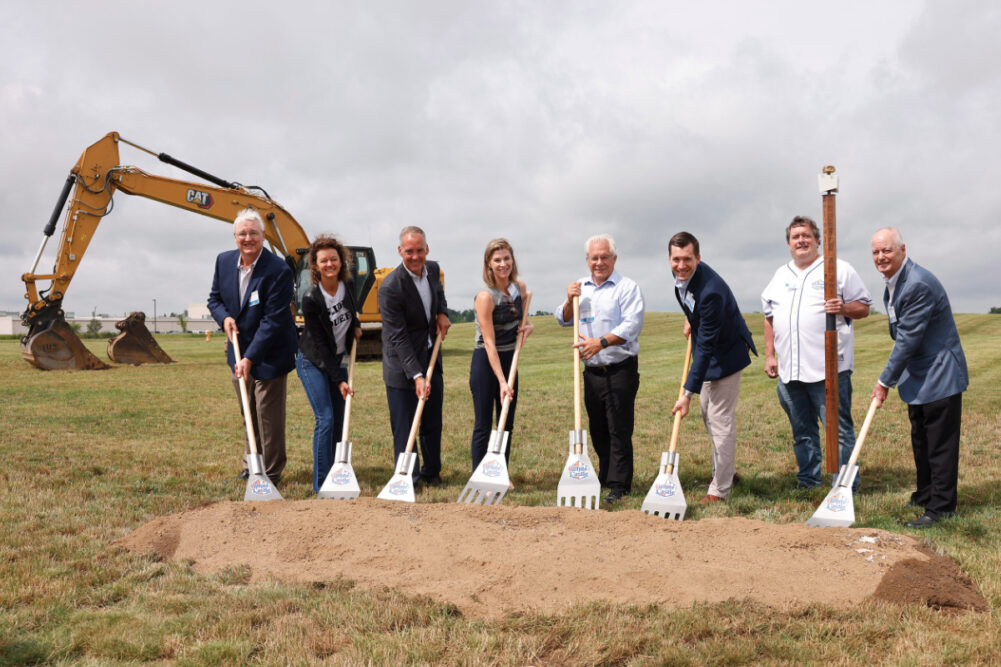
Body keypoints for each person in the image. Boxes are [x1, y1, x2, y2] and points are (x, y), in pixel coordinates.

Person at [761, 216, 871, 489]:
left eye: (806, 235)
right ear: (788, 244)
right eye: (795, 237)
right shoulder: (780, 275)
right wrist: (770, 355)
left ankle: (844, 485)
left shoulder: (837, 269)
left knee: (839, 430)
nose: (801, 240)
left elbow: (864, 307)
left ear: (818, 240)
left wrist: (843, 308)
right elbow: (769, 316)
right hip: (791, 370)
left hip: (829, 370)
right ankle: (808, 479)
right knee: (802, 431)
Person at [870, 228, 968, 528]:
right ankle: (926, 493)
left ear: (902, 249)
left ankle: (940, 509)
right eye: (875, 252)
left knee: (939, 445)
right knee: (921, 440)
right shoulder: (895, 282)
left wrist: (884, 381)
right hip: (919, 376)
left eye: (886, 250)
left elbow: (907, 340)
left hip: (940, 375)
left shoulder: (917, 284)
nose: (881, 257)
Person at [208, 208, 298, 484]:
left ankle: (270, 472)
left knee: (267, 416)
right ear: (235, 236)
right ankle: (251, 465)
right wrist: (224, 319)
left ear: (262, 236)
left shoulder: (278, 270)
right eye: (242, 234)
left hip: (270, 353)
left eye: (253, 233)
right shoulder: (224, 261)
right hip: (238, 350)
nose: (248, 238)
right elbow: (214, 300)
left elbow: (272, 321)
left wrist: (250, 358)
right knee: (248, 413)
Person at [554, 234, 644, 504]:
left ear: (614, 258)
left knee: (619, 427)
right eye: (594, 258)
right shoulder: (580, 287)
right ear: (587, 260)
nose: (599, 262)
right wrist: (570, 300)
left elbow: (631, 326)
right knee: (598, 429)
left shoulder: (627, 288)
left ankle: (619, 485)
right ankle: (605, 477)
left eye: (605, 257)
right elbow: (562, 319)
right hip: (591, 372)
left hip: (620, 369)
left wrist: (601, 342)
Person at [669, 231, 756, 506]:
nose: (681, 265)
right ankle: (726, 470)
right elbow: (694, 310)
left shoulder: (711, 292)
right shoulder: (685, 279)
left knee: (719, 420)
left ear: (698, 258)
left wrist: (686, 394)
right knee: (710, 414)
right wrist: (692, 321)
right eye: (676, 259)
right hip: (712, 349)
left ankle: (720, 490)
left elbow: (704, 349)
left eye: (687, 259)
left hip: (726, 356)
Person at [379, 226, 450, 486]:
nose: (415, 256)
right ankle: (409, 477)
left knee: (432, 422)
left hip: (431, 356)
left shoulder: (432, 270)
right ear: (400, 251)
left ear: (427, 249)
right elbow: (398, 337)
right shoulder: (390, 287)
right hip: (401, 366)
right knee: (405, 426)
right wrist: (417, 375)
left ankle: (432, 472)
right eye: (409, 251)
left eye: (420, 250)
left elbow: (438, 295)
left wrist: (442, 312)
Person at [296, 235, 362, 494]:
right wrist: (340, 380)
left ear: (341, 260)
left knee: (338, 421)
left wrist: (355, 326)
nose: (330, 264)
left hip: (337, 359)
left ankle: (338, 475)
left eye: (334, 258)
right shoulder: (311, 297)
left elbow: (352, 311)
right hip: (313, 361)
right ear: (315, 265)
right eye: (324, 260)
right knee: (325, 418)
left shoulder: (349, 284)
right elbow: (322, 347)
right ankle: (322, 484)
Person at [470, 239, 533, 473]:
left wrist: (529, 326)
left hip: (510, 359)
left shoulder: (519, 288)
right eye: (497, 260)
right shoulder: (485, 297)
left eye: (507, 258)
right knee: (484, 424)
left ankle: (501, 472)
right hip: (486, 362)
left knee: (506, 423)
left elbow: (523, 320)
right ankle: (479, 472)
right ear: (489, 263)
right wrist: (502, 381)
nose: (503, 263)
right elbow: (488, 341)